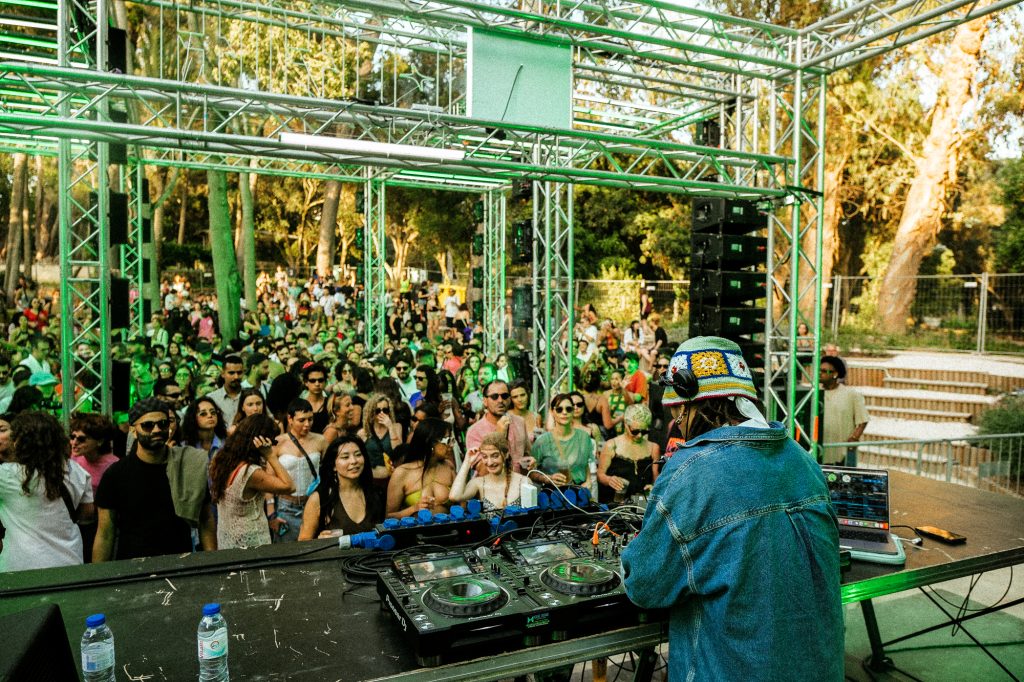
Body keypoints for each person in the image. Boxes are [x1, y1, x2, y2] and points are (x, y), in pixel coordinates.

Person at [621, 337, 843, 681]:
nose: (678, 424)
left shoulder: (690, 473)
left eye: (677, 412)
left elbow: (645, 585)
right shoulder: (804, 460)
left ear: (689, 403)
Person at [94, 398, 217, 561]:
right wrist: (99, 573)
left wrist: (212, 561)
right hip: (134, 567)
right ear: (133, 430)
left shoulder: (187, 465)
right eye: (148, 425)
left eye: (163, 424)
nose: (157, 430)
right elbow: (105, 534)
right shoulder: (116, 474)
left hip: (180, 563)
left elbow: (206, 518)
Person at [0, 411, 94, 572]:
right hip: (68, 564)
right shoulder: (76, 470)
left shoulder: (6, 475)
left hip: (20, 567)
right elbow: (87, 515)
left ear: (18, 443)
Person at [210, 414, 294, 550]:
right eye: (273, 442)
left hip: (227, 541)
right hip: (252, 544)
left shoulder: (222, 461)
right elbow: (289, 486)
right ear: (261, 442)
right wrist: (270, 455)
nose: (274, 446)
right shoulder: (250, 472)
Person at [298, 436, 385, 539]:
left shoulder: (377, 493)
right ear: (333, 465)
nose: (354, 461)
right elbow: (303, 542)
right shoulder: (320, 498)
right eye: (345, 457)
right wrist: (319, 541)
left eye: (358, 455)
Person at [270, 399, 327, 542]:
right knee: (286, 550)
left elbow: (328, 472)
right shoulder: (278, 442)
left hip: (312, 504)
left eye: (310, 419)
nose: (307, 424)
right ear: (290, 419)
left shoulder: (320, 441)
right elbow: (269, 479)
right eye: (301, 420)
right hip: (285, 507)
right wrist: (271, 514)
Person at [386, 418, 455, 518]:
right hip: (415, 528)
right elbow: (388, 516)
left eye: (452, 440)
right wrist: (414, 508)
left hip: (449, 527)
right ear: (430, 442)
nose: (451, 445)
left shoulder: (448, 466)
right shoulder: (402, 472)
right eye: (447, 440)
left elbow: (462, 505)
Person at [596, 404, 660, 504]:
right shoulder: (612, 445)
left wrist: (653, 487)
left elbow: (656, 479)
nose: (639, 436)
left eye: (644, 431)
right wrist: (609, 480)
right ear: (626, 424)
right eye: (635, 431)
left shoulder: (653, 448)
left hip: (641, 504)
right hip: (615, 503)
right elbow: (600, 475)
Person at [465, 380, 532, 473]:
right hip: (490, 482)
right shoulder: (475, 431)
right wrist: (498, 437)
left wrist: (531, 464)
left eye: (504, 396)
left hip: (518, 480)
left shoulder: (519, 422)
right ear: (485, 401)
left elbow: (526, 456)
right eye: (494, 397)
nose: (500, 400)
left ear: (509, 399)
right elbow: (482, 471)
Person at [450, 433, 526, 511]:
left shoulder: (523, 482)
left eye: (495, 456)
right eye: (485, 457)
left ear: (506, 455)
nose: (489, 463)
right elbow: (455, 496)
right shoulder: (478, 483)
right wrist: (467, 462)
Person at [531, 394, 594, 487]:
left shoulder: (584, 437)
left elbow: (585, 464)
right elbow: (531, 472)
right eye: (559, 409)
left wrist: (588, 481)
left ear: (573, 411)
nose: (564, 412)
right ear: (552, 412)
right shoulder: (542, 441)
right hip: (552, 492)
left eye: (568, 409)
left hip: (578, 491)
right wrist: (548, 479)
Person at [820, 355, 869, 466]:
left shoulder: (851, 394)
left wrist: (854, 438)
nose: (820, 373)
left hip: (841, 454)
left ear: (835, 374)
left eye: (824, 371)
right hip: (820, 452)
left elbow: (863, 420)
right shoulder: (815, 394)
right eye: (819, 370)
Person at [358, 392, 401, 481]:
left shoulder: (396, 427)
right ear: (371, 412)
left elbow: (398, 452)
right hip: (371, 478)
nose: (382, 413)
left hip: (392, 478)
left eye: (385, 410)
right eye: (377, 411)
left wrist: (390, 427)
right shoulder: (364, 433)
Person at [207, 355, 245, 425]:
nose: (236, 377)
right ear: (222, 374)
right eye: (231, 373)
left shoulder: (251, 395)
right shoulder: (212, 399)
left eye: (239, 373)